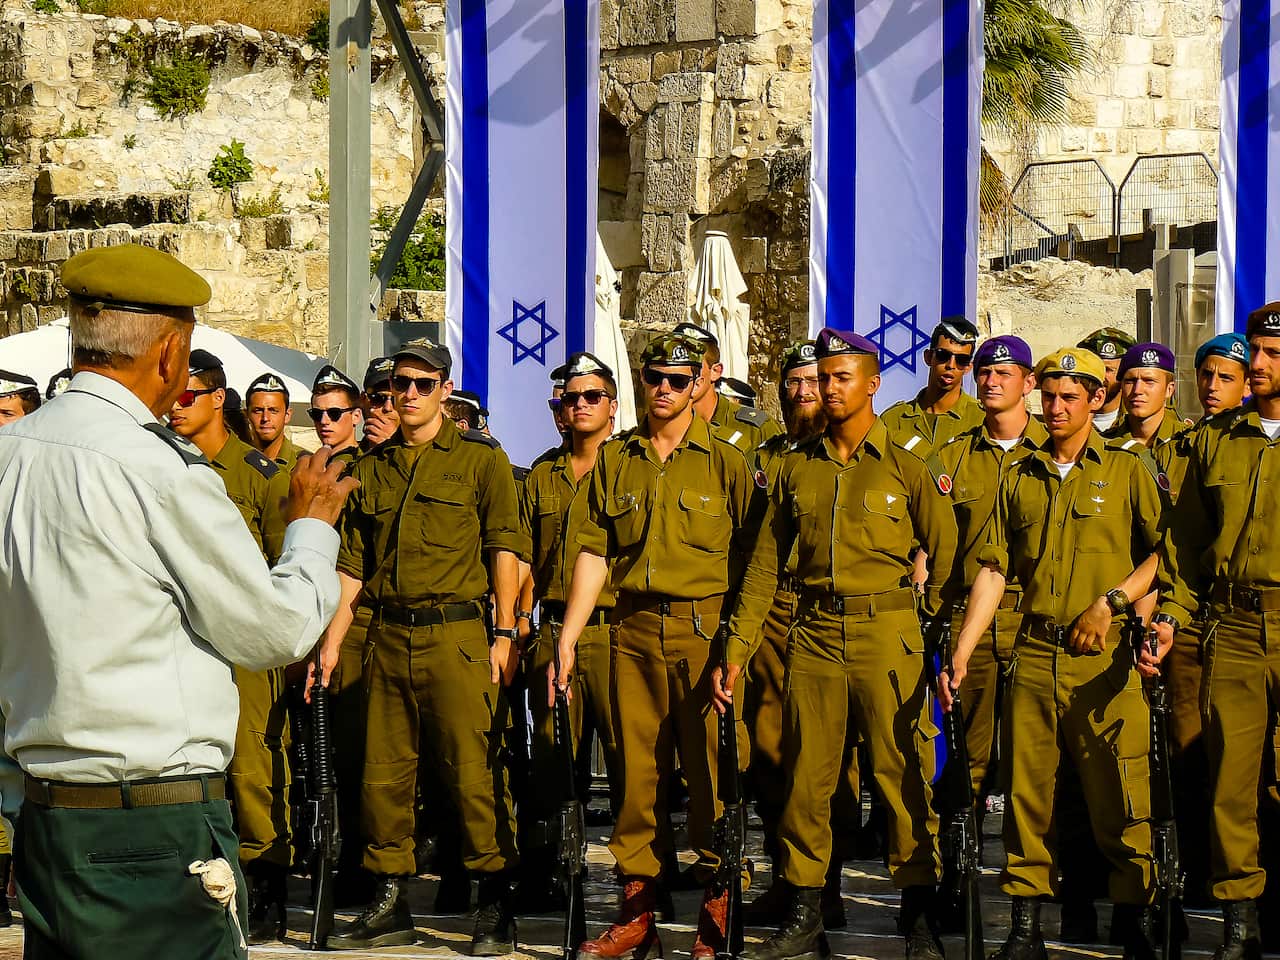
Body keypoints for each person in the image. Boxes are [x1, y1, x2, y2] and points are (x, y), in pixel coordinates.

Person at [0, 242, 353, 958]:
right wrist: (311, 531)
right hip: (153, 827)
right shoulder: (160, 471)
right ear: (170, 355)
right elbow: (274, 631)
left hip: (44, 817)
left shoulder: (11, 456)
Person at [717, 327, 957, 960]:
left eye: (840, 377)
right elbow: (765, 566)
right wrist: (737, 649)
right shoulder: (797, 467)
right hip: (815, 633)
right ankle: (806, 908)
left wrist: (927, 624)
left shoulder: (906, 467)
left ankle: (918, 914)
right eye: (822, 377)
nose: (827, 388)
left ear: (873, 384)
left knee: (902, 774)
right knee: (808, 779)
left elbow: (950, 551)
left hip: (888, 633)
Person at [941, 346, 1167, 960]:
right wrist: (962, 652)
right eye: (1051, 395)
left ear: (1099, 399)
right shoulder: (1021, 474)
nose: (1058, 407)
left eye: (1072, 397)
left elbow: (1162, 555)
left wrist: (1112, 603)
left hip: (1106, 661)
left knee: (1120, 794)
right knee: (1027, 798)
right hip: (1034, 655)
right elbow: (993, 569)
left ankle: (1137, 916)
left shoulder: (1129, 468)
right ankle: (1024, 924)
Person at [319, 337, 527, 952]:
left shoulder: (479, 460)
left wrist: (506, 631)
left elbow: (504, 546)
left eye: (420, 384)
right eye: (397, 386)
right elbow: (352, 567)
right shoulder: (371, 468)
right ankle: (389, 898)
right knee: (382, 775)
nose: (407, 395)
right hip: (386, 636)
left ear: (443, 389)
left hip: (457, 635)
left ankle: (493, 898)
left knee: (471, 774)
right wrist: (331, 643)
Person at [552, 333, 755, 960]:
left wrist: (737, 646)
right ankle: (637, 914)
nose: (662, 388)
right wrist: (569, 636)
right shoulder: (618, 461)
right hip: (633, 631)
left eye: (675, 377)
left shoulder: (728, 461)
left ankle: (717, 912)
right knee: (636, 777)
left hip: (705, 633)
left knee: (712, 776)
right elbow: (593, 549)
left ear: (698, 382)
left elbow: (754, 565)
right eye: (652, 377)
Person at [1157, 302, 1280, 960]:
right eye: (1254, 350)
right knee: (1232, 778)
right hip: (1231, 624)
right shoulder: (1214, 441)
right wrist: (1171, 617)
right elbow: (1184, 546)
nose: (1256, 364)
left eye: (1271, 355)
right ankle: (1239, 924)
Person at [169, 348, 296, 943]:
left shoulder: (261, 478)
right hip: (184, 639)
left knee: (251, 766)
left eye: (189, 395)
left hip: (245, 644)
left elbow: (283, 566)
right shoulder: (166, 466)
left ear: (219, 398)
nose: (176, 405)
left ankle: (265, 875)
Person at [740, 340, 850, 931]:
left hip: (824, 615)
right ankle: (787, 878)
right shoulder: (763, 457)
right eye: (794, 383)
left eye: (813, 382)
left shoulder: (844, 455)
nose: (804, 392)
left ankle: (822, 885)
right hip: (769, 613)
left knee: (821, 761)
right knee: (767, 755)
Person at [518, 352, 621, 905]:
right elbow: (527, 559)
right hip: (554, 628)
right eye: (569, 398)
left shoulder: (631, 465)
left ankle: (639, 881)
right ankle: (558, 871)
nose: (578, 406)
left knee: (629, 760)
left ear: (612, 405)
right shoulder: (542, 474)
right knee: (556, 757)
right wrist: (515, 630)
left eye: (591, 397)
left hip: (618, 630)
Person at [1156, 331, 1251, 911]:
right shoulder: (1192, 446)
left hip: (1255, 624)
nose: (1212, 387)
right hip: (1201, 620)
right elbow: (1178, 542)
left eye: (1226, 377)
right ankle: (1202, 878)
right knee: (1192, 756)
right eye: (1206, 375)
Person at [933, 336, 1047, 807]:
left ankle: (1033, 871)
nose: (991, 381)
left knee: (1034, 753)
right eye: (983, 372)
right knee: (966, 756)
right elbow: (928, 542)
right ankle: (960, 865)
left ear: (1029, 382)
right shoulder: (952, 456)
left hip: (1031, 615)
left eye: (1004, 373)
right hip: (969, 618)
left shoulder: (1053, 451)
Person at [675, 321, 781, 454]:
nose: (680, 373)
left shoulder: (756, 431)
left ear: (715, 371)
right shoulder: (660, 429)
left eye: (693, 366)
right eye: (673, 366)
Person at [880, 317, 983, 451]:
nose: (951, 365)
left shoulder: (981, 420)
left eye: (961, 360)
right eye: (942, 355)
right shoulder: (894, 420)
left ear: (968, 367)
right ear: (928, 357)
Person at [1104, 342, 1182, 449]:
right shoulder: (1104, 445)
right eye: (1130, 381)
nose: (1137, 390)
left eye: (1149, 381)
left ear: (1169, 389)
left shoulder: (1188, 443)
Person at [1077, 327, 1137, 434]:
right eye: (1094, 368)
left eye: (1108, 370)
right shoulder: (1069, 417)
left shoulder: (1137, 420)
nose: (1100, 375)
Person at [247, 372, 302, 470]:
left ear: (287, 415)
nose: (265, 418)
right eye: (258, 411)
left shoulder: (304, 464)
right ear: (246, 414)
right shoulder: (236, 460)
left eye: (273, 411)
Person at [309, 364, 363, 459]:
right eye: (317, 414)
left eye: (334, 413)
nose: (324, 421)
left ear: (356, 416)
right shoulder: (304, 466)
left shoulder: (368, 468)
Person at [360, 357, 400, 452]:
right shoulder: (345, 460)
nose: (388, 407)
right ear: (362, 400)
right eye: (378, 398)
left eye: (395, 400)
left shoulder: (427, 454)